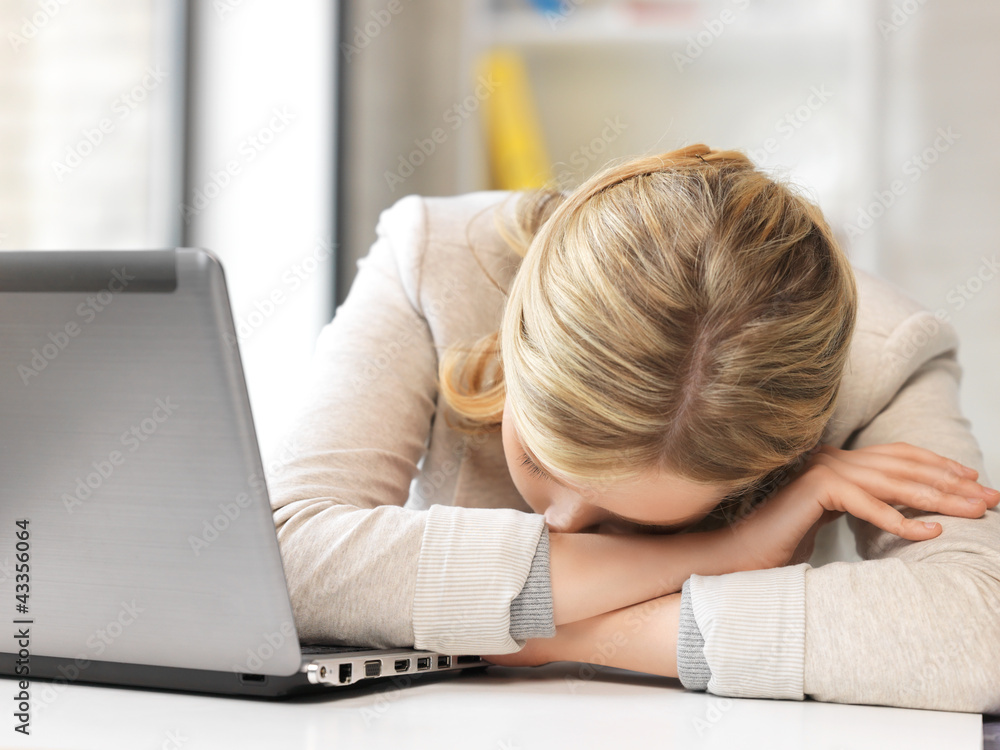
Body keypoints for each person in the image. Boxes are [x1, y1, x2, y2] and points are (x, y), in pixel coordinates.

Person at [267, 144, 1000, 713]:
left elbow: (981, 633)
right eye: (544, 459)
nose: (559, 522)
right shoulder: (437, 256)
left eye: (627, 516)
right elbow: (280, 558)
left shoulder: (885, 356)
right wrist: (722, 549)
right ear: (517, 327)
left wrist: (550, 637)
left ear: (783, 460)